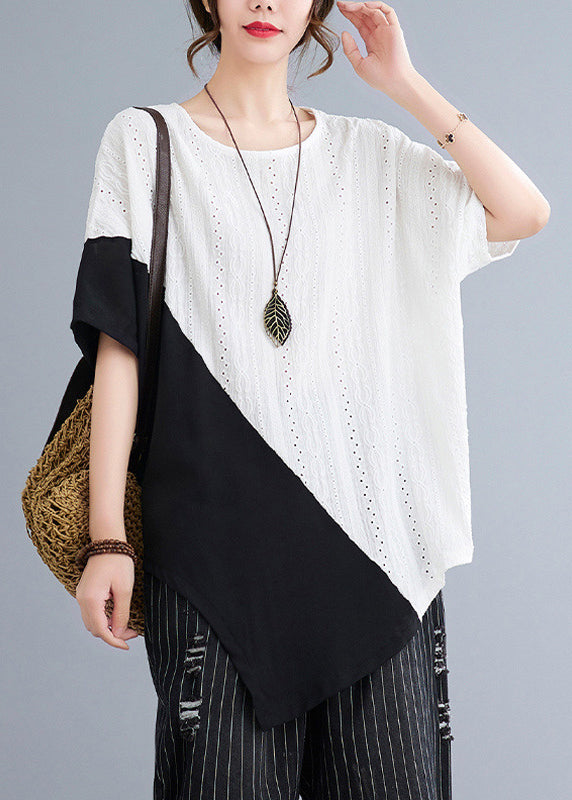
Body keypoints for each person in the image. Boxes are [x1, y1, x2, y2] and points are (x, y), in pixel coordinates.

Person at [70, 1, 550, 798]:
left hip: (376, 561)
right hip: (214, 559)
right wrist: (107, 540)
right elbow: (120, 345)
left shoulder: (371, 156)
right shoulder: (146, 141)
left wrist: (404, 83)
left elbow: (523, 212)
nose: (265, 3)